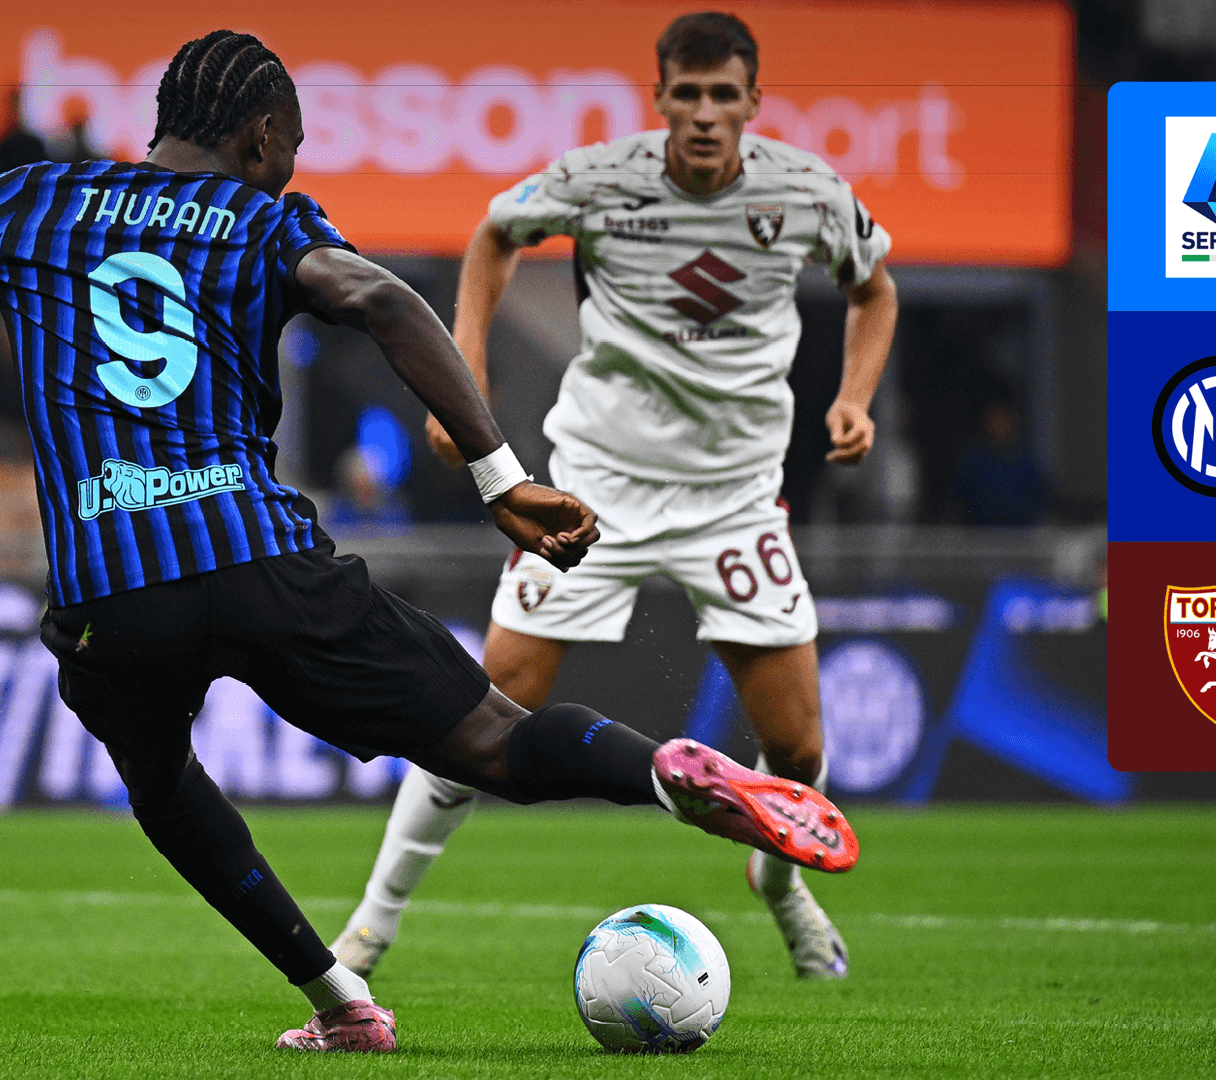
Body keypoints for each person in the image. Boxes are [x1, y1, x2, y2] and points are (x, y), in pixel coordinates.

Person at [0, 29, 858, 1053]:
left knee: (160, 783)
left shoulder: (37, 198)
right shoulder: (264, 220)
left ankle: (341, 1004)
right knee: (494, 741)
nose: (290, 165)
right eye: (290, 146)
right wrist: (500, 478)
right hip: (260, 562)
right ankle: (665, 770)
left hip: (114, 593)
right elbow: (383, 300)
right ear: (259, 139)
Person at [332, 12, 896, 983]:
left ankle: (778, 883)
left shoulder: (807, 192)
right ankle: (369, 930)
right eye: (690, 94)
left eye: (725, 95)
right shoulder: (600, 179)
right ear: (662, 97)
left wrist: (854, 397)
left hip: (733, 498)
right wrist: (467, 364)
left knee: (797, 751)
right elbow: (495, 233)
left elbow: (874, 289)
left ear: (754, 102)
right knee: (482, 709)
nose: (706, 114)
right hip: (598, 486)